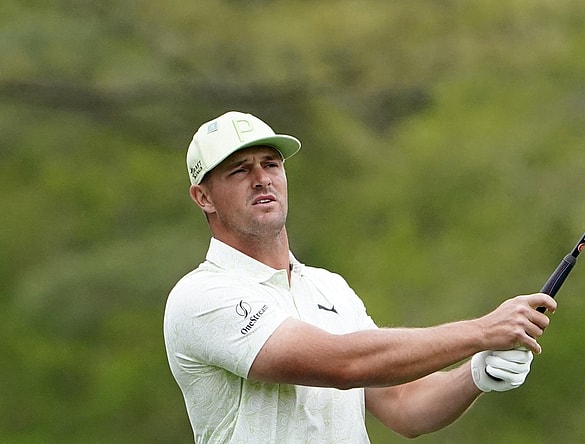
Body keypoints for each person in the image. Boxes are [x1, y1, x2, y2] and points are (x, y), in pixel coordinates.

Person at [163, 111, 557, 443]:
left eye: (271, 164)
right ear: (204, 197)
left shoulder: (329, 287)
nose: (262, 178)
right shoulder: (201, 295)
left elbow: (404, 406)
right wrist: (482, 331)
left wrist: (477, 373)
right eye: (239, 170)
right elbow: (344, 366)